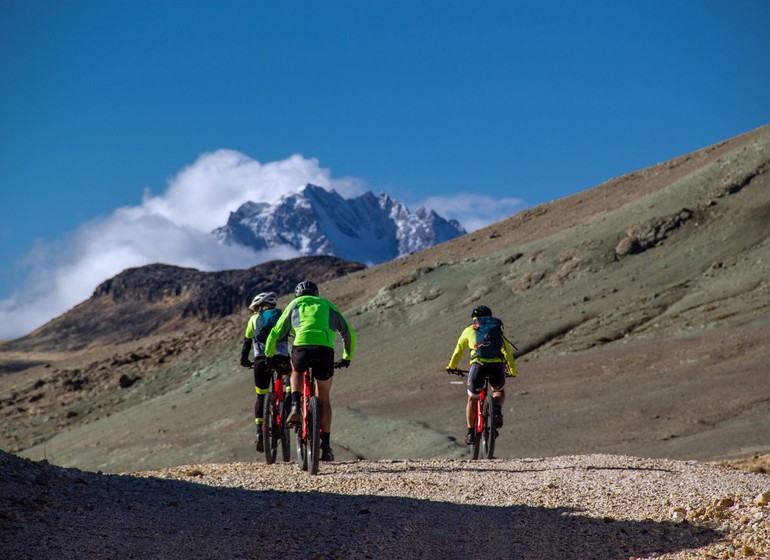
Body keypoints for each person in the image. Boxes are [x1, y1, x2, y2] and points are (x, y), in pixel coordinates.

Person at [265, 280, 356, 462]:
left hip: (302, 346)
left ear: (298, 294)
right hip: (325, 350)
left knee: (297, 372)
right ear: (317, 294)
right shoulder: (328, 305)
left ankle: (296, 406)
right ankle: (326, 446)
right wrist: (346, 357)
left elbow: (276, 331)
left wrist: (269, 354)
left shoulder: (294, 304)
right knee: (324, 399)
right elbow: (348, 333)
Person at [446, 305, 517, 445]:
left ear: (474, 318)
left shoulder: (469, 330)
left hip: (478, 366)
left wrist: (451, 367)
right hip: (497, 366)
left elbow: (459, 350)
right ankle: (496, 409)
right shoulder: (496, 331)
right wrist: (512, 370)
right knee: (498, 390)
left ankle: (471, 433)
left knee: (472, 399)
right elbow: (507, 351)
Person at [240, 292, 291, 455]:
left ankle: (260, 431)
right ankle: (287, 408)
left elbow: (247, 342)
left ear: (260, 306)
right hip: (281, 359)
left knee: (261, 396)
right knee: (289, 383)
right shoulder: (283, 317)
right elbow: (295, 336)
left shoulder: (254, 319)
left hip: (261, 360)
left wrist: (244, 360)